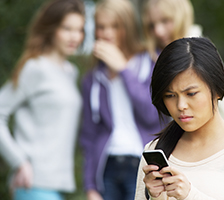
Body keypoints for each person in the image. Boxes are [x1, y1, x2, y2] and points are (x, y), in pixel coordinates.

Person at [135, 37, 224, 200]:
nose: (181, 105)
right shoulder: (154, 151)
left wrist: (190, 195)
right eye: (170, 95)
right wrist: (155, 197)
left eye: (191, 93)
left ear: (216, 89)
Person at [0, 0, 85, 199]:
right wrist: (19, 162)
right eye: (67, 28)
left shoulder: (71, 72)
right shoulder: (34, 68)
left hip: (57, 185)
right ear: (51, 28)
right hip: (32, 182)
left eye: (79, 30)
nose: (75, 36)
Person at [79, 0, 164, 200]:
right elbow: (89, 135)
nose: (107, 33)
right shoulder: (93, 78)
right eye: (101, 27)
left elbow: (153, 115)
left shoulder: (150, 62)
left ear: (128, 27)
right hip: (107, 169)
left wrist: (123, 69)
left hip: (142, 166)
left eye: (115, 26)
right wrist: (90, 186)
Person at [142, 0, 224, 126]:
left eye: (165, 21)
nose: (158, 31)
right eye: (151, 25)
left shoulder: (200, 54)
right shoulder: (152, 56)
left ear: (181, 17)